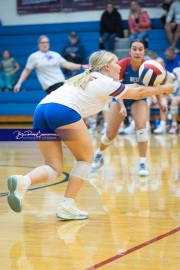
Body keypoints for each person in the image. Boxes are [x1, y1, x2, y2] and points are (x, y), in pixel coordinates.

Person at [6, 50, 174, 220]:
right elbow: (138, 94)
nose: (119, 67)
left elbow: (133, 88)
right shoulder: (105, 82)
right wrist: (164, 89)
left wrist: (154, 89)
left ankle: (23, 181)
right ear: (107, 66)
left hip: (41, 110)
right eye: (116, 63)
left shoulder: (87, 77)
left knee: (54, 167)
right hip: (62, 111)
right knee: (85, 159)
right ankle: (67, 205)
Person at [92, 41, 167, 177]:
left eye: (140, 49)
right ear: (130, 52)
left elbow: (156, 86)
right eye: (134, 49)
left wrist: (160, 102)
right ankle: (98, 153)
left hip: (138, 99)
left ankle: (142, 163)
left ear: (144, 52)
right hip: (120, 96)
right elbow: (115, 87)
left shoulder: (149, 66)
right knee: (110, 134)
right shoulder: (123, 64)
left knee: (141, 127)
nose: (137, 52)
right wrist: (121, 106)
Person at [14, 35, 87, 95]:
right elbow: (26, 71)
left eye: (47, 42)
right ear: (39, 44)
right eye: (43, 42)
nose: (45, 44)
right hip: (50, 85)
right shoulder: (34, 56)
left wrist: (82, 66)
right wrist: (19, 83)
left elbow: (68, 65)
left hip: (62, 83)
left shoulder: (55, 54)